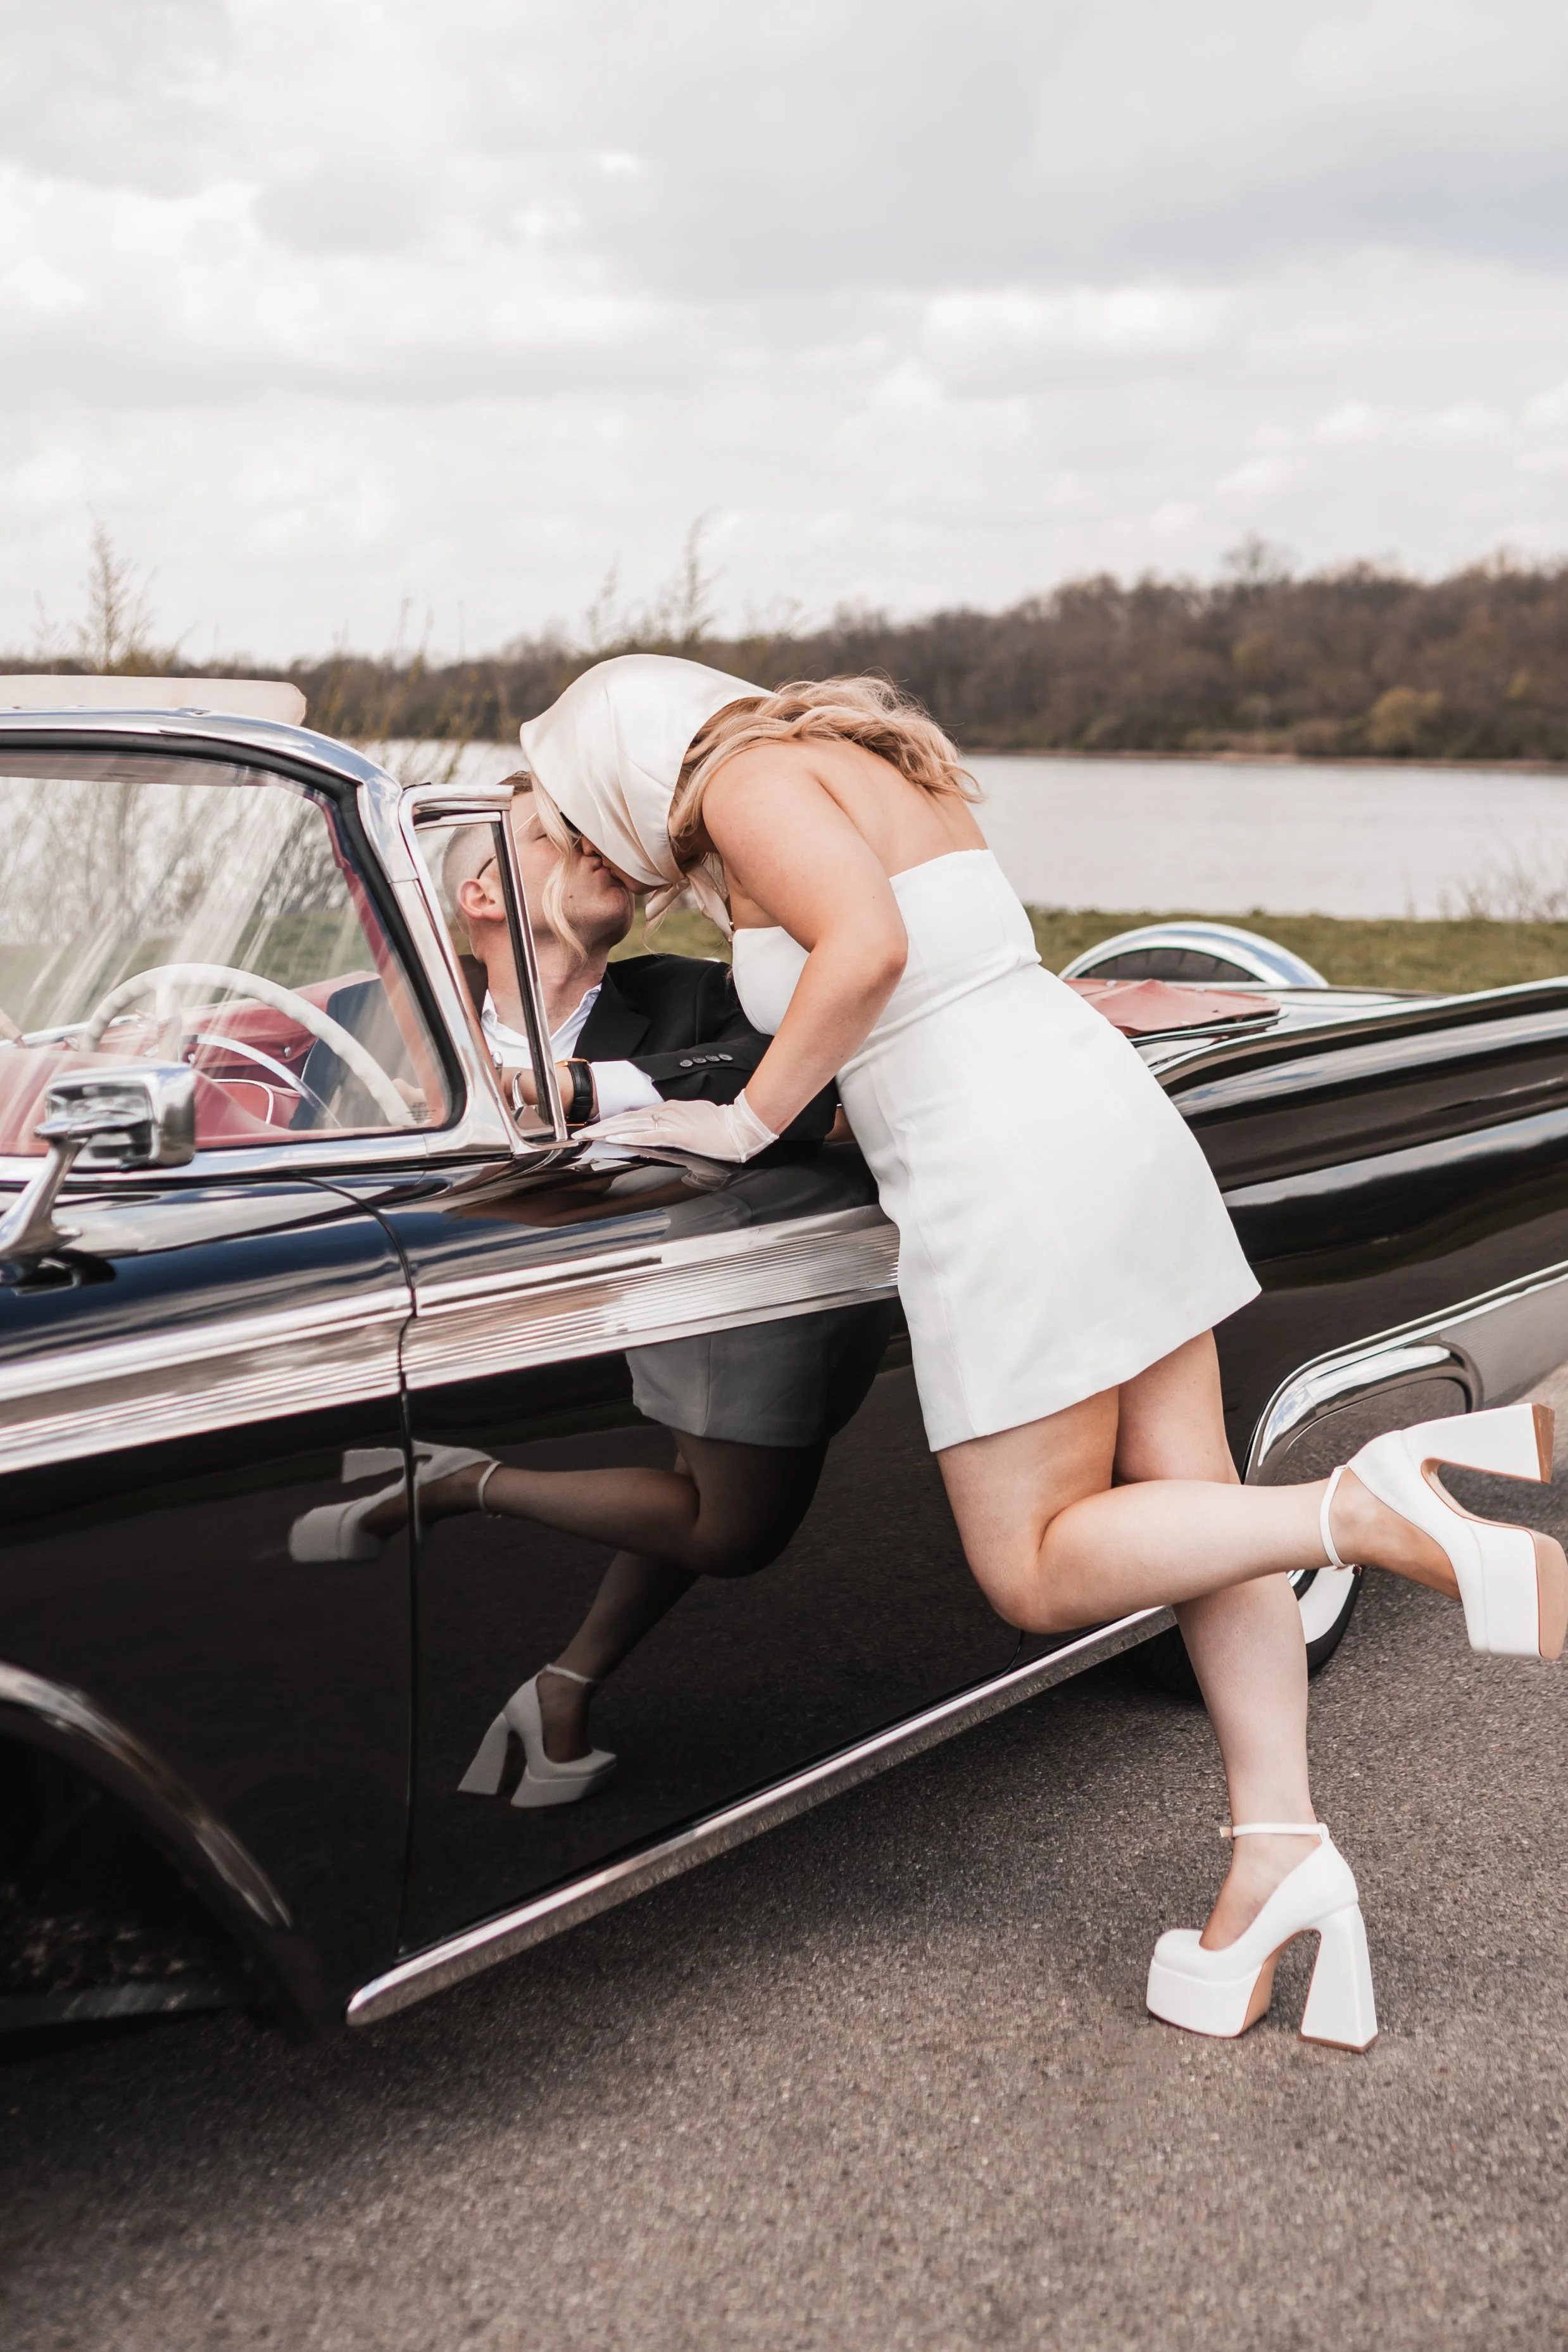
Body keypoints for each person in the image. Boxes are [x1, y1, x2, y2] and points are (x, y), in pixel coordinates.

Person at [498, 650, 1566, 2047]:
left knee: (1035, 1566)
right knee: (1194, 1499)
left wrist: (740, 1124)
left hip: (996, 1166)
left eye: (582, 807)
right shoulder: (852, 760)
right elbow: (924, 980)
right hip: (1092, 1116)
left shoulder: (747, 779)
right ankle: (1278, 1854)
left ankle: (1359, 1509)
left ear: (626, 765)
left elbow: (867, 951)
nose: (600, 844)